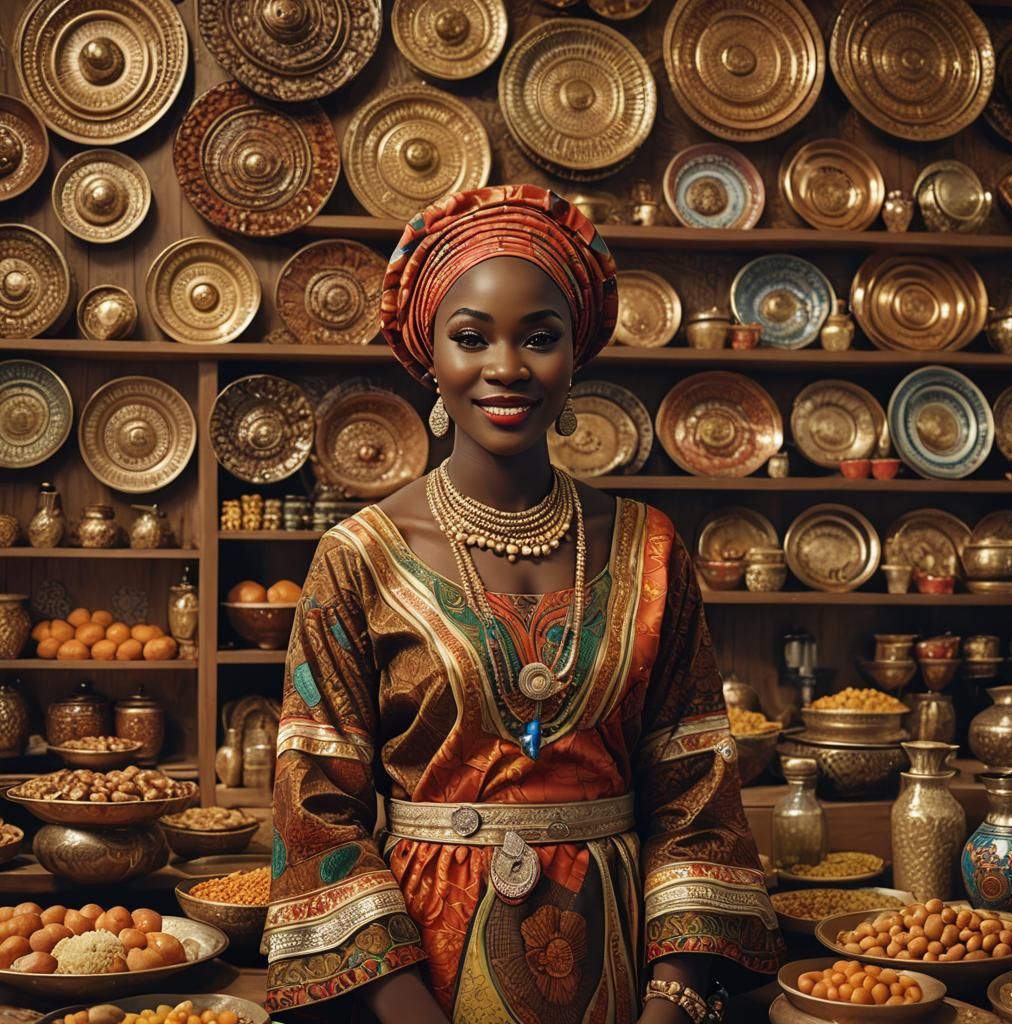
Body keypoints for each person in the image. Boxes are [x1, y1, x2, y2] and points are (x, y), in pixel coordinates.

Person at [264, 185, 783, 1024]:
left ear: (575, 355)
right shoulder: (357, 558)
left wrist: (673, 995)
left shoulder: (649, 549)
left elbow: (698, 793)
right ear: (429, 355)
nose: (506, 366)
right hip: (417, 979)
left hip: (621, 972)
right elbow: (315, 807)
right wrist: (407, 1011)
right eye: (471, 337)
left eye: (539, 338)